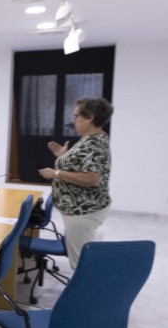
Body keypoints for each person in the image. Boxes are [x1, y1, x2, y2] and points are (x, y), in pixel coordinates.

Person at [39, 97, 114, 269]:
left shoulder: (94, 143)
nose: (73, 121)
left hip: (83, 211)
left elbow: (92, 178)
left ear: (90, 117)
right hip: (82, 207)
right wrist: (63, 156)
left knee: (80, 264)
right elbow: (83, 163)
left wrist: (56, 172)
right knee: (81, 258)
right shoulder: (90, 138)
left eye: (76, 116)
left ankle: (87, 294)